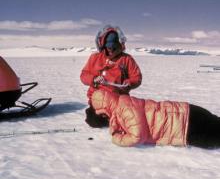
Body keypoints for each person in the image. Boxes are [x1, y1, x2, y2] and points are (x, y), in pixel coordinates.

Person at [91, 89, 220, 149]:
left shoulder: (124, 108)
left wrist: (116, 138)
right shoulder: (124, 103)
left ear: (104, 108)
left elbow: (137, 136)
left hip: (183, 126)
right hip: (186, 112)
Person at [80, 25, 142, 127]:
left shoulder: (126, 59)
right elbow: (84, 75)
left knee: (127, 121)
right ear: (103, 45)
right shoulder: (95, 58)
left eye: (114, 47)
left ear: (119, 44)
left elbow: (137, 77)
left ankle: (114, 117)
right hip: (98, 99)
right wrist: (93, 79)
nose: (111, 50)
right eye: (109, 47)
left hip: (118, 100)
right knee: (94, 121)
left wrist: (129, 83)